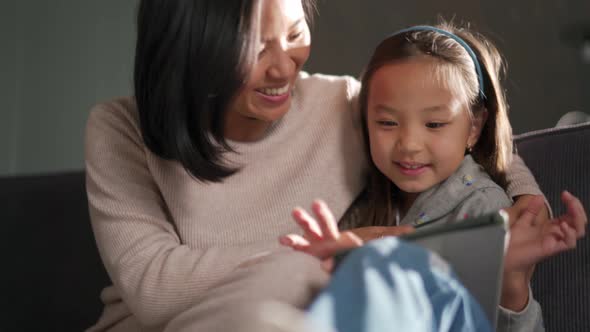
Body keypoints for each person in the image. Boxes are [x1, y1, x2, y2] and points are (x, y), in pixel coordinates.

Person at [84, 1, 582, 331]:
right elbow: (154, 289)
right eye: (255, 48)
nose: (283, 67)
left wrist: (524, 195)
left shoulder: (343, 103)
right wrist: (348, 248)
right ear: (192, 47)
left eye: (296, 32)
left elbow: (452, 121)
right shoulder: (121, 127)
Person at [280, 23, 588, 331]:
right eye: (387, 123)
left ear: (474, 127)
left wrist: (512, 285)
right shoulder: (362, 200)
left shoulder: (486, 211)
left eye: (435, 124)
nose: (409, 144)